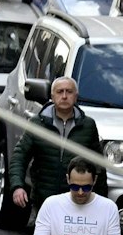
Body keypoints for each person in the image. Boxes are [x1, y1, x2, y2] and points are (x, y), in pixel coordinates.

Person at [6, 76, 102, 218]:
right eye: (60, 92)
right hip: (44, 199)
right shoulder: (37, 123)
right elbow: (20, 156)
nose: (64, 96)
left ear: (76, 96)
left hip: (77, 198)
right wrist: (17, 186)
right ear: (52, 96)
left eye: (69, 92)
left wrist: (100, 198)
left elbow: (98, 164)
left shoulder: (88, 125)